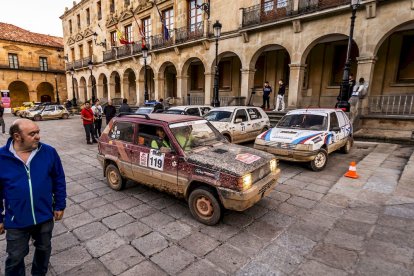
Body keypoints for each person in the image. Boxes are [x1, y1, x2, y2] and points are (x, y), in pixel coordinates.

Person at [0, 119, 66, 276]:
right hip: (16, 219)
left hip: (44, 215)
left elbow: (59, 179)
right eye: (32, 134)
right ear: (17, 136)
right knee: (15, 257)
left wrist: (59, 204)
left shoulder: (49, 152)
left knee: (44, 250)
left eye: (38, 132)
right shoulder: (1, 157)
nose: (38, 136)